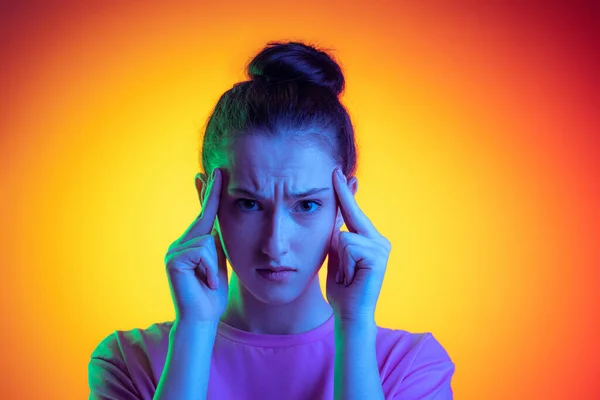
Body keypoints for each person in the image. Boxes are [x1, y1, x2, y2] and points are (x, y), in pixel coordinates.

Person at [88, 41, 455, 400]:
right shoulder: (128, 363)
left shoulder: (411, 367)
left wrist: (355, 326)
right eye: (249, 204)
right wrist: (194, 331)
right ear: (207, 199)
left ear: (346, 203)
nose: (275, 244)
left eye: (307, 205)